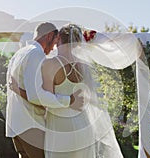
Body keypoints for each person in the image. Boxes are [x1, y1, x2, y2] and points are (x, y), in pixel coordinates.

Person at [41, 24, 124, 158]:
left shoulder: (51, 64)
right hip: (84, 125)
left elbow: (45, 100)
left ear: (59, 40)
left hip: (60, 126)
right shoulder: (83, 66)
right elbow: (89, 97)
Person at [5, 22, 84, 158]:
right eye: (55, 41)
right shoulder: (36, 54)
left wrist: (19, 91)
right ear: (49, 36)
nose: (54, 47)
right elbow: (36, 96)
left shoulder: (18, 54)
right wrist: (69, 100)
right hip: (31, 126)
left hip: (16, 127)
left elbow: (14, 87)